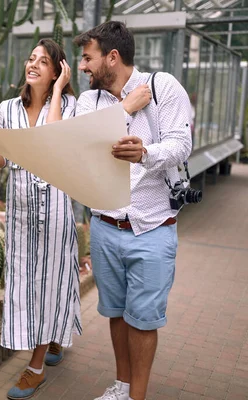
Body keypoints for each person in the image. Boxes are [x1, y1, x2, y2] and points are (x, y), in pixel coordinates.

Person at [73, 21, 192, 400]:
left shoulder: (163, 87)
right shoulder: (90, 101)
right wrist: (124, 110)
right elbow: (84, 147)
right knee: (116, 312)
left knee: (143, 319)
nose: (83, 66)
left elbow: (180, 145)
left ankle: (136, 395)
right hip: (105, 227)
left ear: (113, 57)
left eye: (88, 58)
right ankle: (121, 386)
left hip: (153, 228)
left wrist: (145, 152)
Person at [0, 38, 82, 400]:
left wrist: (55, 92)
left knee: (50, 280)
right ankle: (53, 338)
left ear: (58, 71)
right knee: (27, 282)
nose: (34, 64)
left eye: (44, 61)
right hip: (21, 211)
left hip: (55, 207)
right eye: (31, 58)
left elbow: (53, 142)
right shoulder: (8, 109)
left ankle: (36, 368)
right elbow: (8, 163)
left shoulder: (71, 106)